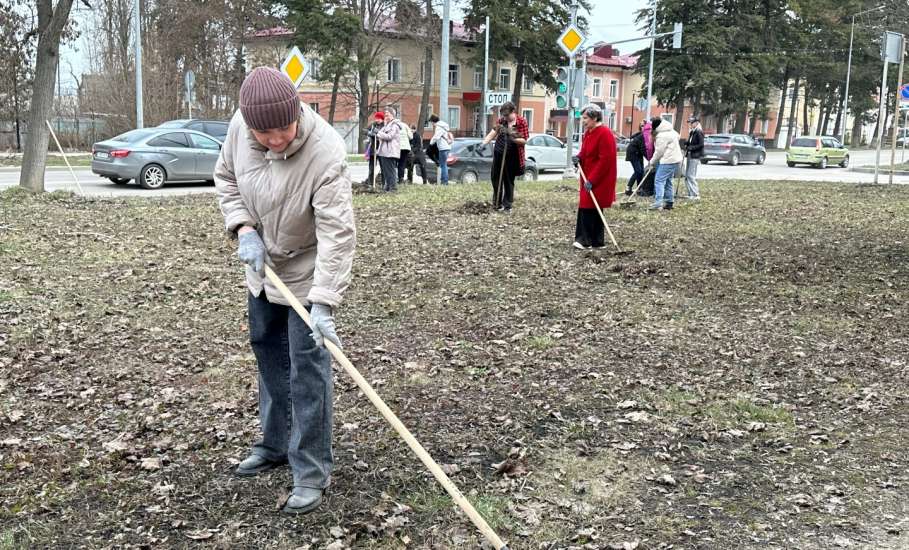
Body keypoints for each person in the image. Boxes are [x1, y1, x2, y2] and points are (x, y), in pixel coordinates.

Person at [214, 67, 356, 515]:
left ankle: (311, 470)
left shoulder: (325, 152)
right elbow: (226, 177)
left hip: (307, 271)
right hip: (263, 268)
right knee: (268, 353)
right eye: (264, 132)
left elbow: (337, 234)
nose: (275, 139)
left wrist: (324, 302)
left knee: (307, 368)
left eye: (283, 128)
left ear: (297, 113)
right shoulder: (240, 129)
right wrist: (243, 228)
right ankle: (274, 443)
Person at [571, 104, 617, 249]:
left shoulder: (605, 133)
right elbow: (585, 152)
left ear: (595, 117)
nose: (583, 121)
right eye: (582, 118)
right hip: (588, 177)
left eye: (585, 118)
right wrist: (578, 157)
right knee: (590, 206)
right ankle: (596, 240)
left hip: (599, 179)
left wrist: (593, 179)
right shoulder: (588, 133)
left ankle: (585, 240)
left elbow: (605, 160)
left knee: (590, 206)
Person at [481, 102, 528, 212]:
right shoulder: (502, 121)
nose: (505, 118)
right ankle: (497, 204)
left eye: (507, 115)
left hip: (512, 156)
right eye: (504, 115)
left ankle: (507, 205)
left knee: (508, 180)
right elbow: (493, 132)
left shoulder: (521, 122)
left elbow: (524, 140)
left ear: (513, 112)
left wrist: (512, 137)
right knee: (496, 178)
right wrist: (483, 143)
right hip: (499, 153)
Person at [649, 116, 683, 211]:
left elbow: (659, 152)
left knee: (659, 180)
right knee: (668, 180)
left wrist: (651, 162)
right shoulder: (671, 130)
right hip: (675, 160)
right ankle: (669, 202)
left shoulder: (661, 135)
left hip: (668, 160)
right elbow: (678, 136)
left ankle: (658, 203)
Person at [375, 107, 401, 192]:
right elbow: (380, 134)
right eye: (385, 115)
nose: (386, 117)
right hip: (384, 151)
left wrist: (378, 132)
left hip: (390, 151)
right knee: (386, 171)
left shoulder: (395, 125)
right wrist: (374, 133)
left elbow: (389, 136)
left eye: (387, 115)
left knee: (390, 171)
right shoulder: (387, 125)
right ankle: (387, 187)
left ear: (392, 115)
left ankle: (393, 188)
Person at [429, 114, 453, 185]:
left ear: (433, 121)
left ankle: (444, 182)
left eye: (431, 122)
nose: (432, 124)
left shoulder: (439, 127)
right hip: (448, 147)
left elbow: (436, 137)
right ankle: (445, 181)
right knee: (444, 165)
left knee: (443, 165)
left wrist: (431, 143)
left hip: (443, 148)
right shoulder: (444, 125)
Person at [683, 116, 703, 200]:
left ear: (697, 123)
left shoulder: (699, 132)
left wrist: (691, 147)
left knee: (691, 175)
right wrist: (687, 143)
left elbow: (701, 144)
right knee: (687, 175)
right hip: (689, 155)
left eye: (692, 123)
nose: (690, 124)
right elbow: (691, 142)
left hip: (695, 156)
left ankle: (696, 194)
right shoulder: (692, 132)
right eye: (690, 123)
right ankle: (690, 193)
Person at [624, 122, 646, 195]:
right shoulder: (641, 135)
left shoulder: (644, 134)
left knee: (641, 171)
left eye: (644, 126)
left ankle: (639, 189)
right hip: (633, 153)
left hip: (638, 154)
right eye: (641, 126)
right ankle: (628, 188)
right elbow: (643, 149)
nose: (643, 127)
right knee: (638, 171)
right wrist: (650, 159)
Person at [364, 112, 384, 187]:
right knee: (371, 167)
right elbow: (364, 130)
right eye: (376, 118)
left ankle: (384, 184)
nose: (377, 120)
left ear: (382, 119)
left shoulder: (385, 125)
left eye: (379, 118)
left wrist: (378, 134)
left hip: (381, 149)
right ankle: (370, 183)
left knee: (383, 167)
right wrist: (370, 133)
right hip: (373, 148)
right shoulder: (373, 125)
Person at [395, 113, 413, 182]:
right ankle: (401, 178)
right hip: (405, 147)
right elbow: (411, 137)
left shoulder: (393, 125)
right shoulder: (405, 125)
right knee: (402, 163)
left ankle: (395, 178)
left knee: (395, 163)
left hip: (396, 147)